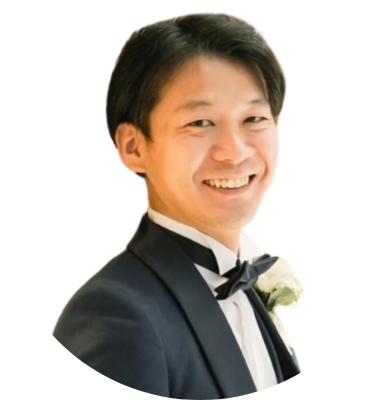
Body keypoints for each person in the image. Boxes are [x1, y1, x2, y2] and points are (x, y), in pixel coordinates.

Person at [53, 13, 301, 398]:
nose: (235, 152)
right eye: (200, 123)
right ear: (134, 147)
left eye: (254, 118)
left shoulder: (247, 283)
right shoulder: (115, 315)